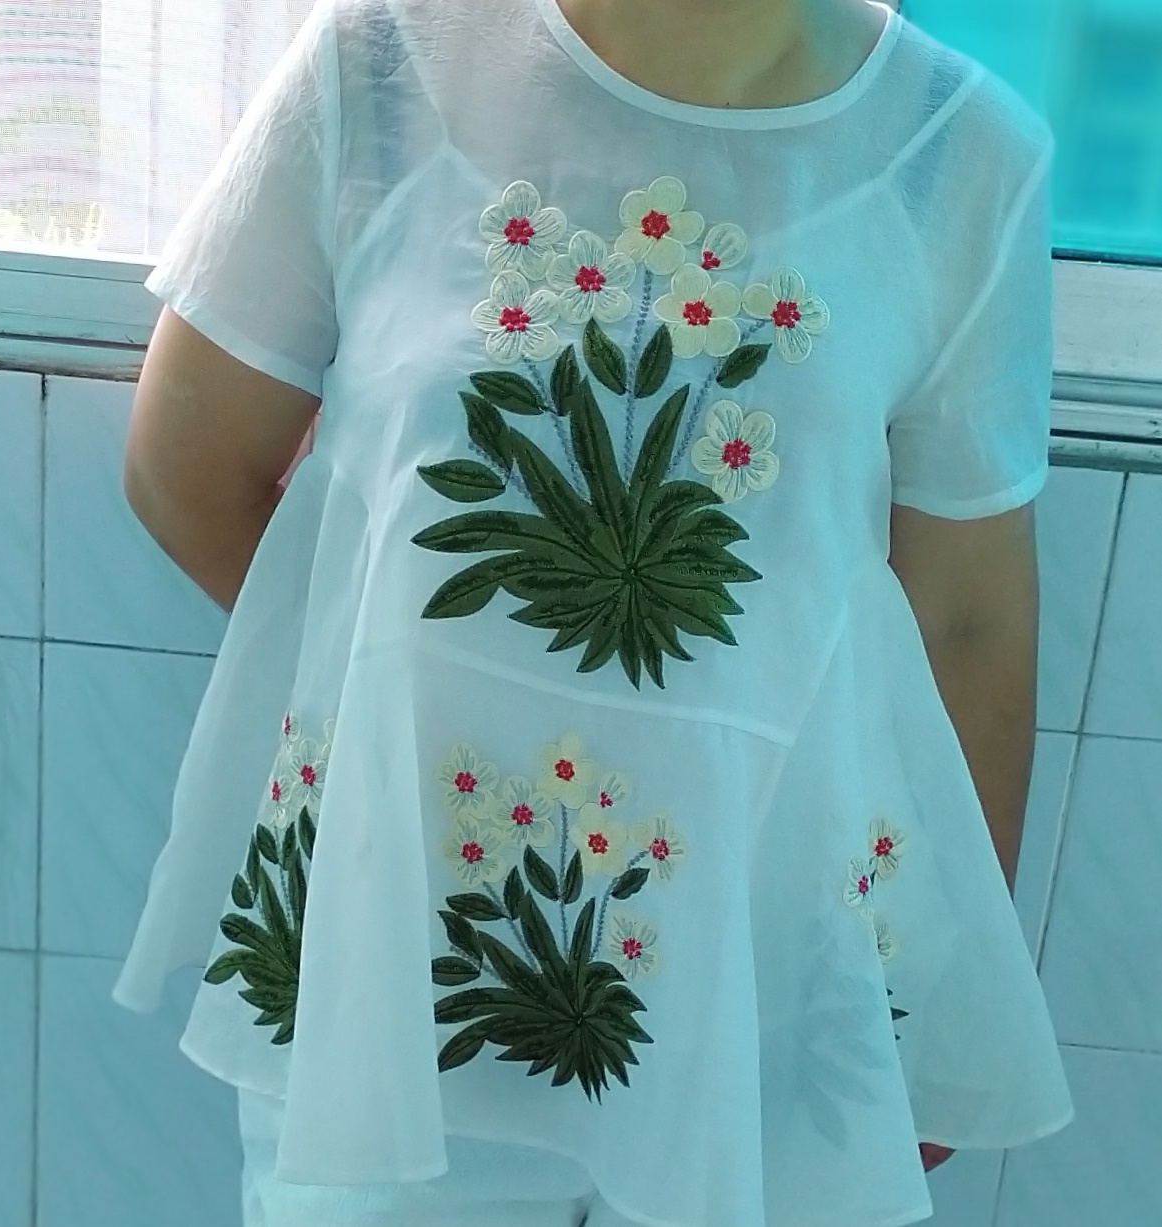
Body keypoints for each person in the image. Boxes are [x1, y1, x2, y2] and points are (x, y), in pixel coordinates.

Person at [112, 0, 1076, 1223]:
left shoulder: (958, 155)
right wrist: (408, 679)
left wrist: (938, 1008)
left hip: (756, 982)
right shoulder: (382, 65)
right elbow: (188, 472)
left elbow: (967, 624)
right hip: (396, 975)